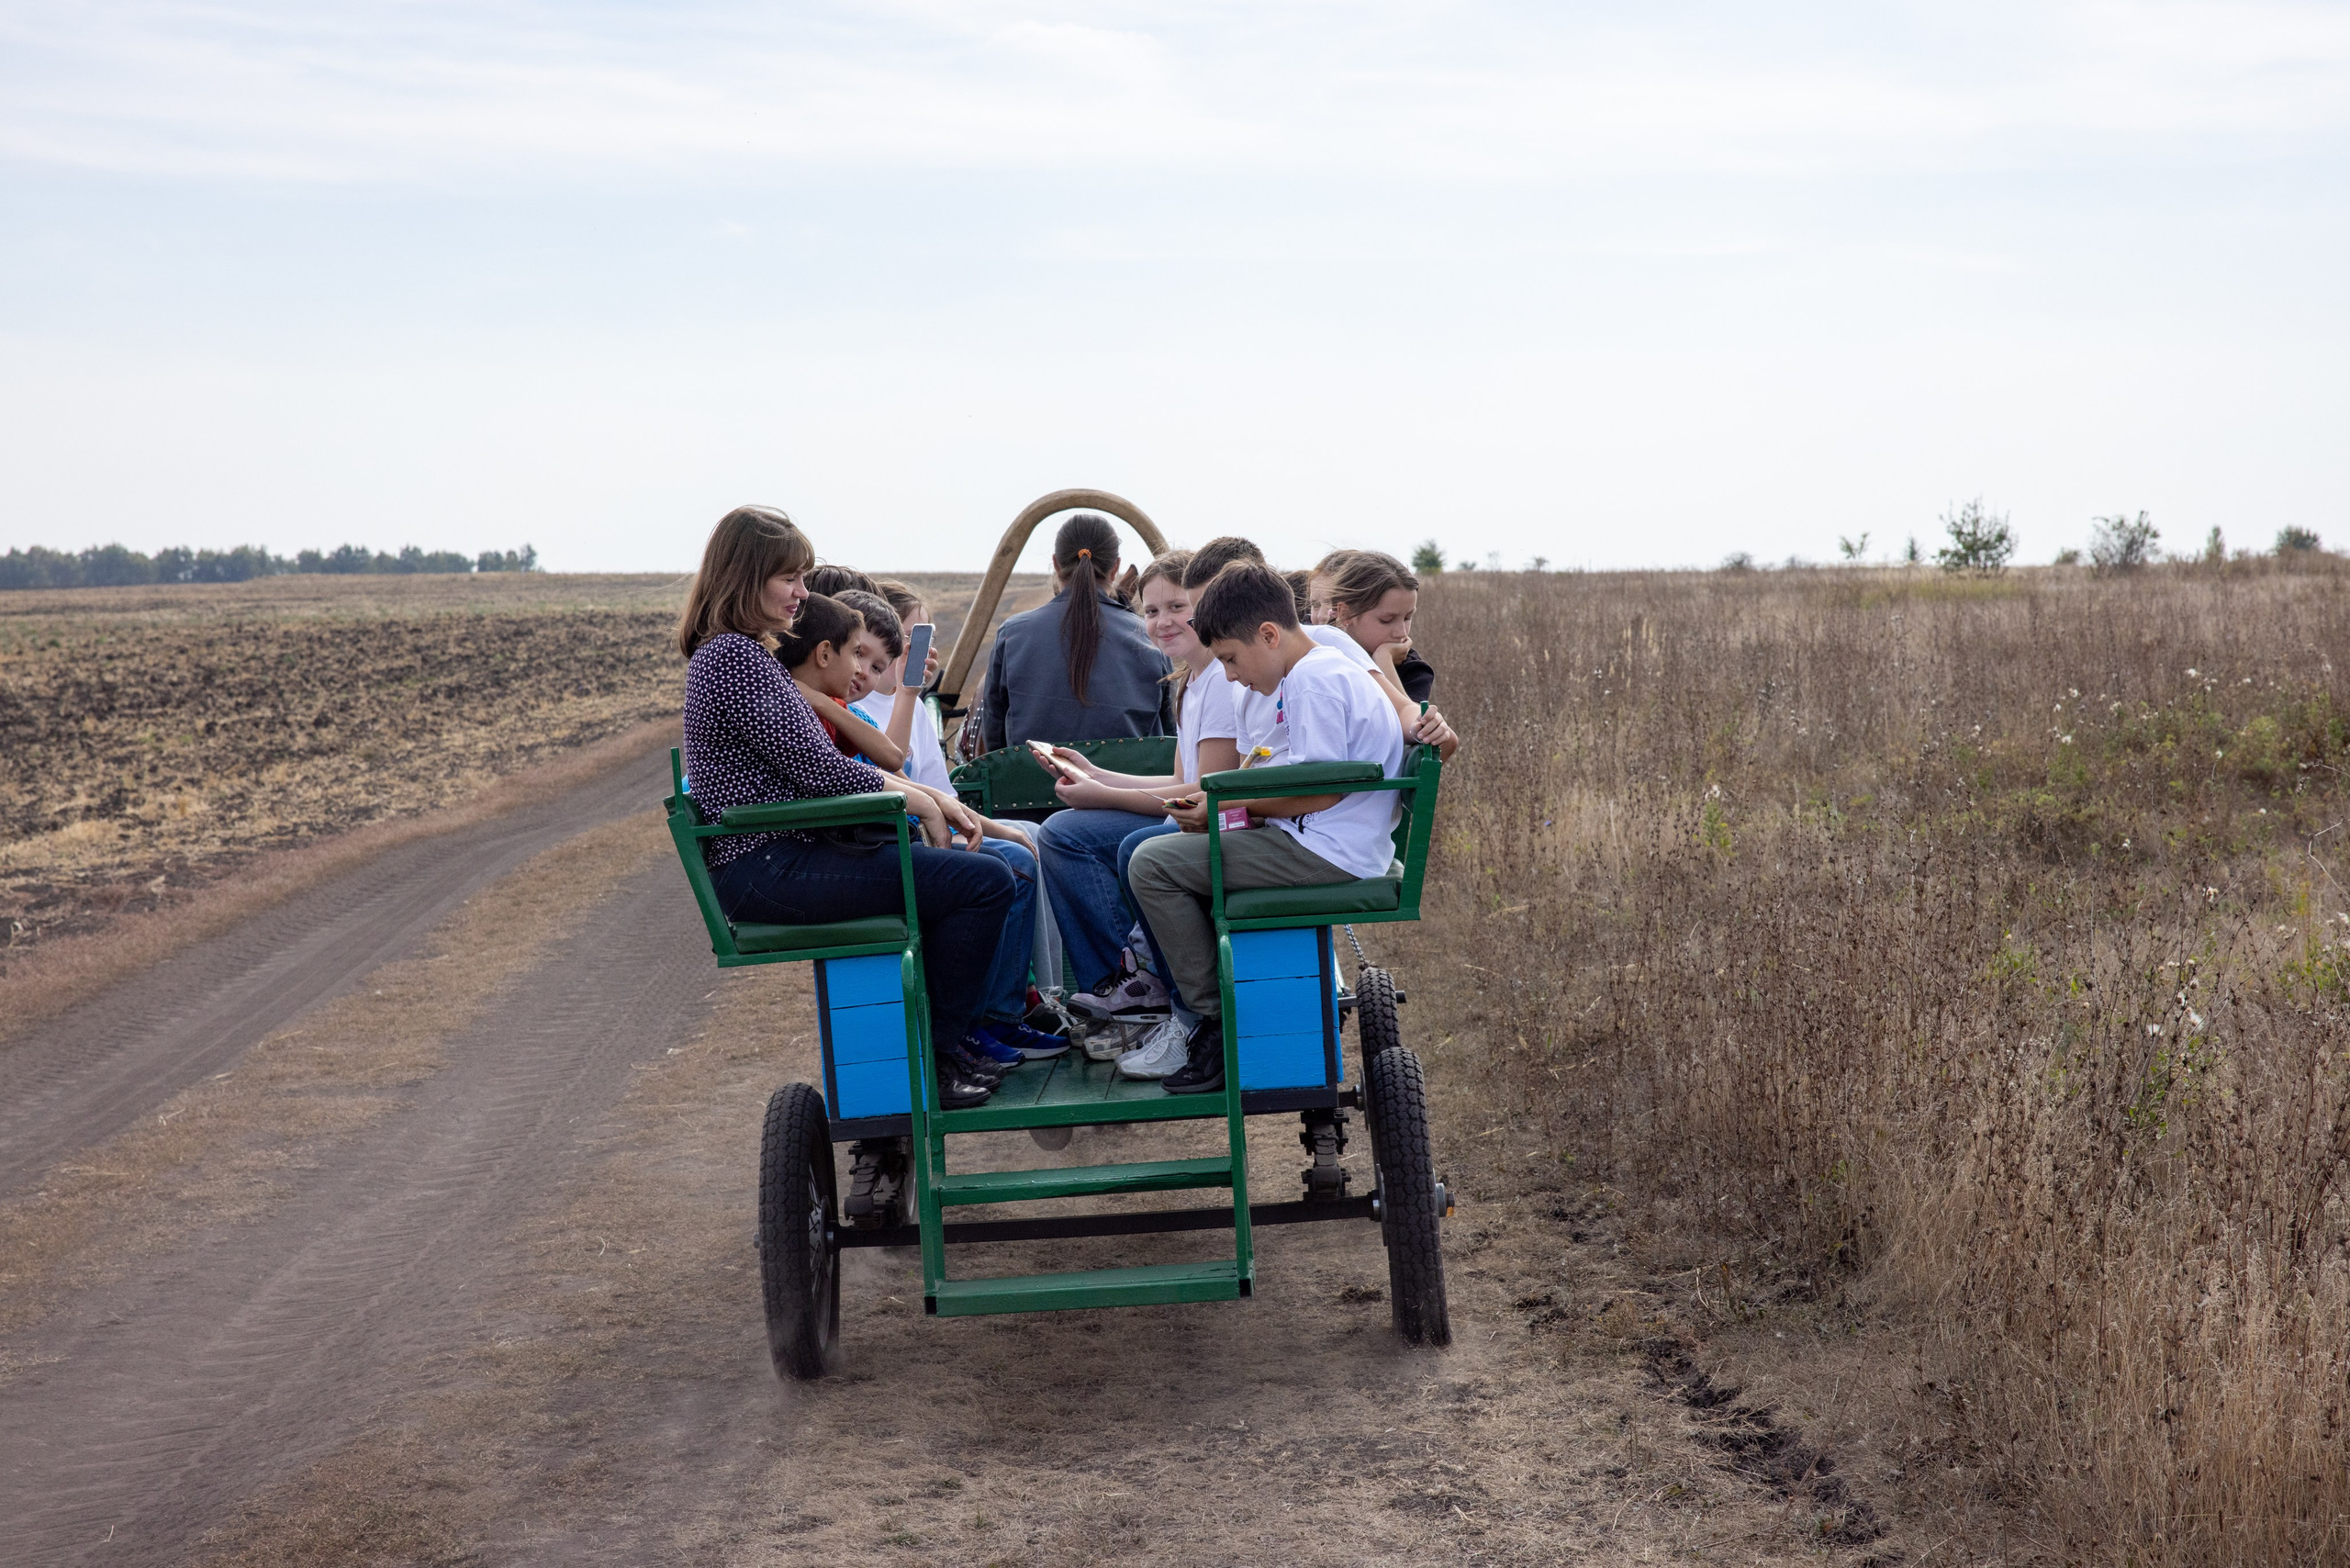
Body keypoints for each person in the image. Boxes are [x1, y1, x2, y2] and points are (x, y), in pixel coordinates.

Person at [677, 506, 1030, 1109]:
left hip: (788, 851)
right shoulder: (734, 658)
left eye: (803, 577)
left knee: (969, 876)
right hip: (768, 862)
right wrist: (917, 796)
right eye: (789, 578)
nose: (801, 593)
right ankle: (937, 1059)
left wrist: (918, 799)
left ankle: (943, 1042)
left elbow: (822, 766)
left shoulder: (743, 656)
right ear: (746, 575)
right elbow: (819, 770)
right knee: (985, 883)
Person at [1125, 563, 1409, 1094]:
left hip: (1330, 852)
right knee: (1166, 848)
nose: (1231, 675)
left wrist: (1220, 809)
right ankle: (1218, 1012)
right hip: (1331, 840)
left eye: (1231, 658)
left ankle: (1215, 1023)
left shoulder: (1313, 681)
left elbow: (1320, 790)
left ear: (1270, 634)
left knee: (1152, 863)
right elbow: (1308, 784)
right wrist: (1228, 810)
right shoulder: (1318, 671)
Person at [1028, 551, 1244, 1070]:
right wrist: (1094, 774)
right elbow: (1174, 779)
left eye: (1177, 606)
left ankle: (1144, 984)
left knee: (1083, 837)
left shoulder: (1218, 679)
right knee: (1062, 832)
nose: (1163, 621)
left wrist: (1100, 795)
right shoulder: (1188, 681)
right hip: (1186, 809)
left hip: (1212, 818)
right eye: (1150, 611)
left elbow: (1202, 790)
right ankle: (1122, 982)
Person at [1182, 542, 1459, 765]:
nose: (1209, 615)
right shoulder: (1242, 679)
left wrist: (1422, 726)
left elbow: (1401, 712)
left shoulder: (1320, 651)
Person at [981, 512, 1174, 753]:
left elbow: (994, 737)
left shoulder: (1012, 635)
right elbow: (1169, 738)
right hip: (1130, 789)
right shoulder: (1149, 638)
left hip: (1034, 786)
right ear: (1115, 568)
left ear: (1056, 564)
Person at [1312, 549, 1436, 702]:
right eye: (1386, 620)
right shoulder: (1317, 652)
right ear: (1345, 614)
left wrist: (1384, 660)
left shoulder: (1413, 669)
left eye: (1407, 618)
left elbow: (1409, 723)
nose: (1402, 633)